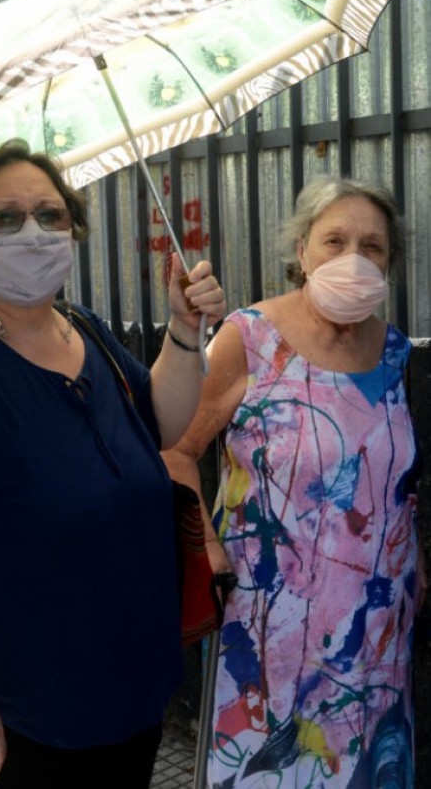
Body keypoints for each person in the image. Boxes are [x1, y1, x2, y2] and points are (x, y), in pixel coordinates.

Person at [0, 139, 226, 787]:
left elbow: (159, 425)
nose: (33, 231)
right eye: (5, 218)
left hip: (125, 698)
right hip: (18, 725)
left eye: (51, 215)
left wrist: (183, 333)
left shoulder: (82, 330)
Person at [162, 176, 428, 788]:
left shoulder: (394, 354)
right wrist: (206, 543)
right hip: (268, 627)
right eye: (334, 241)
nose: (353, 259)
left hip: (379, 633)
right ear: (302, 251)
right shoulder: (250, 338)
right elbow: (176, 448)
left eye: (373, 247)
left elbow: (398, 485)